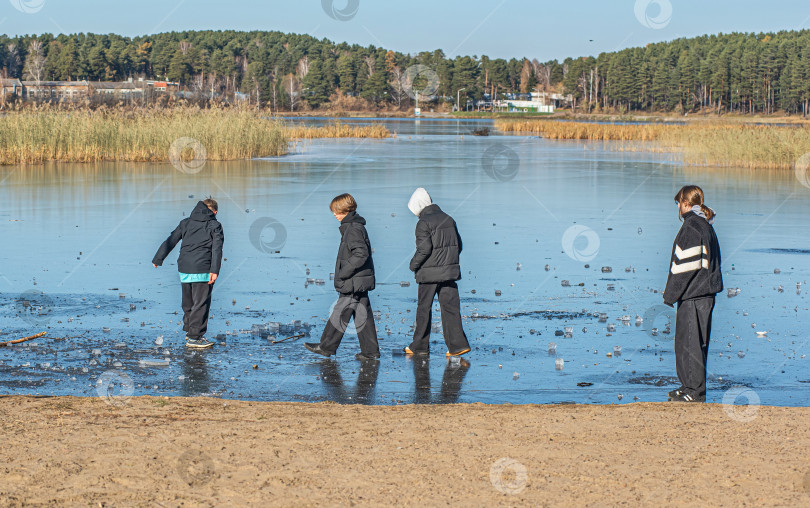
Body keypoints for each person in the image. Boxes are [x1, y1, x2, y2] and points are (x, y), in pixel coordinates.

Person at [663, 185, 723, 402]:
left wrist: (669, 295)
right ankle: (688, 386)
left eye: (678, 202)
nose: (678, 206)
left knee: (690, 343)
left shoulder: (692, 227)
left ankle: (694, 392)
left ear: (686, 203)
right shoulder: (705, 225)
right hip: (705, 293)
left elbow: (684, 266)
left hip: (694, 293)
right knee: (695, 342)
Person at [305, 194, 380, 360]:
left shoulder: (353, 229)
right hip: (358, 279)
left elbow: (361, 254)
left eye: (336, 211)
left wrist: (344, 272)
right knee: (362, 314)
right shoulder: (353, 226)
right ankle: (370, 351)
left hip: (354, 280)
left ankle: (326, 347)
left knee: (341, 311)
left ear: (345, 210)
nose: (334, 214)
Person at [404, 188, 471, 357]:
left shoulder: (423, 223)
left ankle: (419, 346)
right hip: (449, 272)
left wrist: (413, 265)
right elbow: (459, 245)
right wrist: (448, 262)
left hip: (429, 275)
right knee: (451, 309)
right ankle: (458, 346)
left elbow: (424, 249)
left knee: (424, 309)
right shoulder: (449, 218)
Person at [152, 198, 224, 349]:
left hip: (184, 268)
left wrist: (158, 258)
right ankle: (195, 338)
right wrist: (214, 270)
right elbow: (217, 248)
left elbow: (171, 240)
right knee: (201, 303)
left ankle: (189, 331)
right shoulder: (214, 225)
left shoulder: (186, 222)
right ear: (214, 212)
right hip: (203, 268)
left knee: (188, 302)